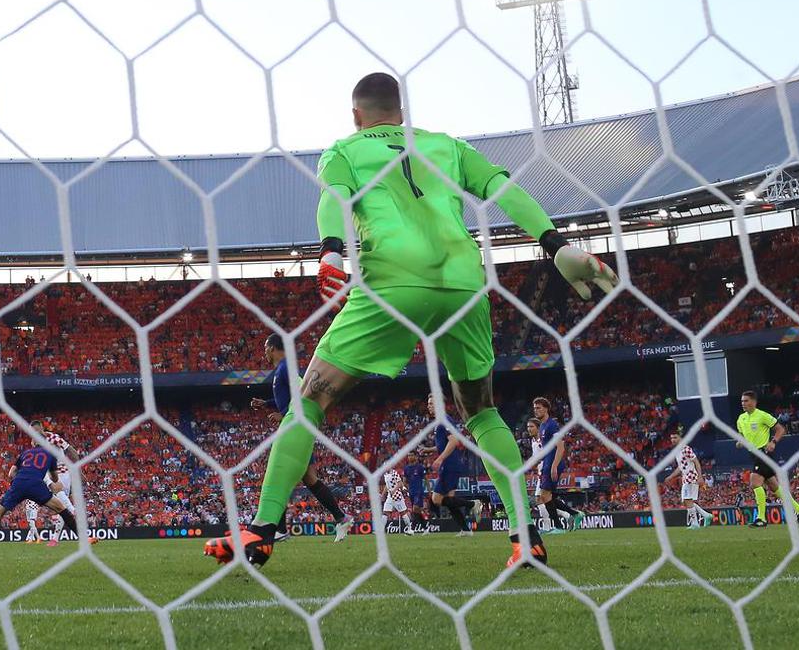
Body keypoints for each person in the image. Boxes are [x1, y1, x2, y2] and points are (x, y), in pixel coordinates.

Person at [204, 72, 617, 570]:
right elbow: (501, 187)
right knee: (481, 412)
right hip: (464, 283)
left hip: (393, 283)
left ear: (356, 115)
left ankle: (262, 529)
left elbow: (332, 199)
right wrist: (555, 244)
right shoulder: (446, 146)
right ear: (402, 112)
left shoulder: (344, 151)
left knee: (308, 401)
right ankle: (525, 537)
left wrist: (332, 251)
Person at [250, 333, 349, 542]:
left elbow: (303, 393)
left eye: (265, 347)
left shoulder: (287, 367)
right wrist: (267, 403)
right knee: (310, 479)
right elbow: (289, 396)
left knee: (281, 473)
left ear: (272, 348)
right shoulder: (282, 369)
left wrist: (284, 413)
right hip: (297, 426)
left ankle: (279, 529)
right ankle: (340, 518)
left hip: (296, 427)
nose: (264, 352)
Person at [0, 441, 77, 549]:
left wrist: (16, 483)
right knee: (61, 508)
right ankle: (85, 538)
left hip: (19, 483)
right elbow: (55, 478)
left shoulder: (25, 453)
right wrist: (54, 482)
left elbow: (11, 473)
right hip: (35, 485)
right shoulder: (50, 455)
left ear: (33, 444)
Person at [736, 391, 799, 528]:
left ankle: (761, 518)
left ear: (754, 402)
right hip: (754, 454)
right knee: (774, 487)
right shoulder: (741, 419)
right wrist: (740, 442)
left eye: (746, 401)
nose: (743, 403)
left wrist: (773, 441)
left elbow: (780, 429)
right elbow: (742, 437)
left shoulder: (762, 416)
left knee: (755, 482)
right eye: (742, 401)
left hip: (764, 453)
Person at [531, 397, 585, 533]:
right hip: (547, 463)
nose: (536, 410)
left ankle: (559, 526)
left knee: (544, 495)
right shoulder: (542, 426)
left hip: (553, 463)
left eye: (539, 408)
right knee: (547, 496)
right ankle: (572, 515)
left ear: (546, 409)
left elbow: (560, 446)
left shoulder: (551, 425)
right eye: (535, 408)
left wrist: (554, 465)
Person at [427, 393, 474, 536]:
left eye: (431, 404)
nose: (428, 406)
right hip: (451, 464)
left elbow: (454, 441)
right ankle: (466, 530)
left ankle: (472, 504)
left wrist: (440, 459)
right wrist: (429, 449)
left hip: (449, 464)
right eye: (428, 404)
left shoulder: (444, 420)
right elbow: (445, 443)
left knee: (436, 499)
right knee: (450, 500)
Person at [664, 429, 713, 529]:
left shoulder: (686, 448)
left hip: (691, 476)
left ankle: (695, 523)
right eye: (671, 438)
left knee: (687, 499)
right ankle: (706, 515)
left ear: (680, 438)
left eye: (675, 437)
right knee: (686, 501)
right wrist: (671, 476)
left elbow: (696, 462)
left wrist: (700, 476)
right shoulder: (677, 451)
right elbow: (680, 467)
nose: (673, 440)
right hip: (685, 477)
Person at [383, 466, 413, 533]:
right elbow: (387, 485)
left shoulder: (394, 473)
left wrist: (394, 490)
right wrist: (383, 494)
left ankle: (409, 529)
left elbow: (399, 483)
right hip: (389, 496)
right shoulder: (385, 474)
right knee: (385, 512)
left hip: (397, 495)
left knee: (403, 513)